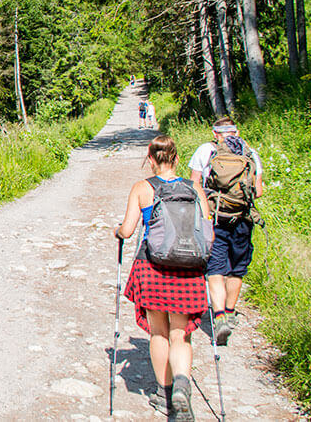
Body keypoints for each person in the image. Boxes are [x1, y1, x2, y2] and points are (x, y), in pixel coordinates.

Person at [115, 135, 211, 420]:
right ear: (177, 158)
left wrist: (118, 232)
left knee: (159, 331)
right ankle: (182, 383)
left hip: (153, 266)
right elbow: (207, 232)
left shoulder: (142, 188)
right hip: (188, 268)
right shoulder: (194, 188)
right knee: (180, 334)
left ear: (150, 157)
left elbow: (128, 230)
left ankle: (164, 393)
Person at [189, 117, 264, 346]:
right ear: (236, 131)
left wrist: (205, 210)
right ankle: (231, 313)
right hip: (242, 219)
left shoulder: (206, 150)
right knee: (237, 267)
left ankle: (218, 315)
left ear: (215, 133)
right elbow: (258, 191)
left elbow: (194, 184)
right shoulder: (249, 153)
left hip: (216, 218)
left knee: (215, 266)